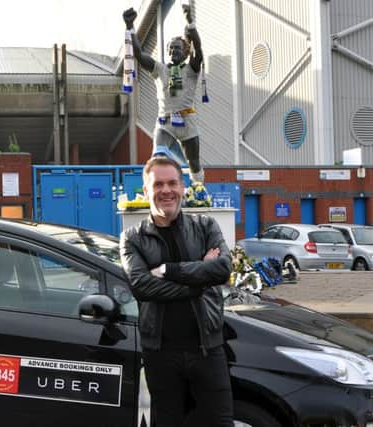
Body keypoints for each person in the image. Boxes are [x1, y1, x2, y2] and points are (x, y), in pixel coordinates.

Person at [120, 156, 233, 427]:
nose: (166, 190)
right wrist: (200, 280)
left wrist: (168, 271)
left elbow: (222, 269)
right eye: (158, 184)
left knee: (220, 423)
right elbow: (142, 286)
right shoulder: (133, 238)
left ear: (182, 188)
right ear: (146, 191)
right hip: (160, 354)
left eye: (172, 183)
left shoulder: (205, 226)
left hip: (207, 348)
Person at [123, 5, 206, 183]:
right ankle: (157, 187)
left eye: (176, 48)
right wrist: (130, 27)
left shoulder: (191, 69)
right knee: (158, 155)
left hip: (187, 121)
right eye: (170, 49)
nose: (172, 52)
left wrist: (191, 24)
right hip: (165, 121)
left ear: (185, 52)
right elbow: (138, 54)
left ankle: (199, 193)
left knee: (194, 163)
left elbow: (198, 51)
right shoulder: (159, 69)